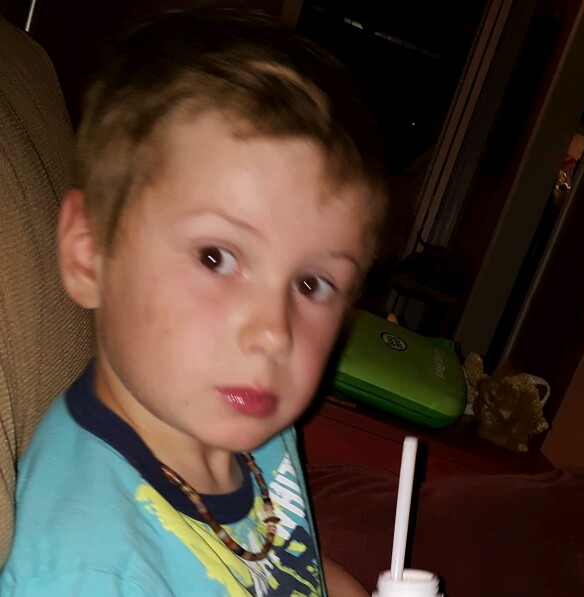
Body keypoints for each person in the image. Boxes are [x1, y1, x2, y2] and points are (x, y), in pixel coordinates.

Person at [0, 8, 388, 596]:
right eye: (215, 257)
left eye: (311, 284)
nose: (274, 332)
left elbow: (288, 571)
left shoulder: (246, 416)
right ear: (89, 253)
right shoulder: (92, 569)